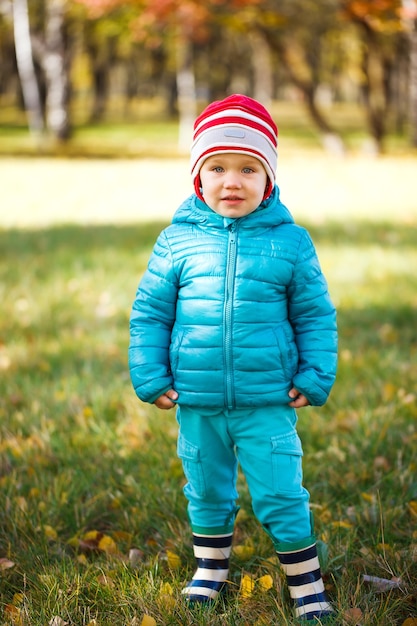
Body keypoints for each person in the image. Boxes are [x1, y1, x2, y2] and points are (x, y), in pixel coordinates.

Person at [129, 94, 338, 623]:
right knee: (205, 488)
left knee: (281, 491)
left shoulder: (290, 243)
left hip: (266, 400)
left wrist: (314, 374)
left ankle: (305, 584)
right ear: (198, 177)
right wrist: (151, 374)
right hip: (196, 400)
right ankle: (210, 568)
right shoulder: (176, 242)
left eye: (249, 168)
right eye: (217, 167)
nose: (232, 181)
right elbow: (150, 312)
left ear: (269, 178)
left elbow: (315, 313)